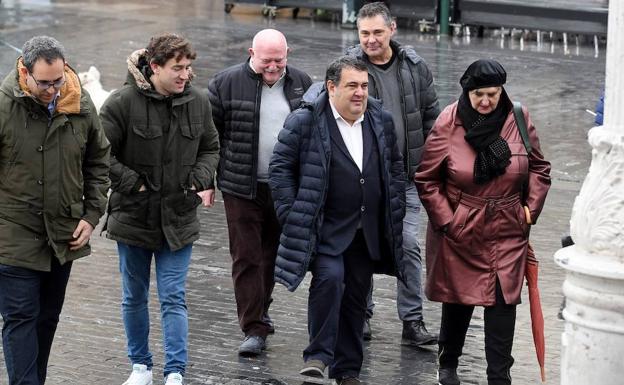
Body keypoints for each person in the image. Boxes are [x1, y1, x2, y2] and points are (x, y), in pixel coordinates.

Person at [269, 56, 405, 385]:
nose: (360, 93)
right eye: (352, 86)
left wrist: (394, 207)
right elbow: (280, 169)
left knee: (357, 294)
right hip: (325, 228)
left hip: (365, 231)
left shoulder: (380, 119)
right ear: (331, 88)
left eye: (364, 85)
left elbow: (395, 167)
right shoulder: (305, 121)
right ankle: (317, 356)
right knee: (329, 279)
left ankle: (348, 371)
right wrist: (292, 213)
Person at [414, 59, 551, 385]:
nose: (486, 102)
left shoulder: (518, 117)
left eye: (492, 94)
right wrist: (449, 222)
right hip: (463, 229)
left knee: (504, 305)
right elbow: (426, 179)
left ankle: (499, 377)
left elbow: (539, 168)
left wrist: (529, 210)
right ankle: (447, 366)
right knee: (458, 302)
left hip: (508, 228)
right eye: (479, 96)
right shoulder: (450, 121)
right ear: (467, 92)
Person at [100, 33, 220, 385]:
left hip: (179, 218)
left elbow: (211, 147)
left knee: (173, 295)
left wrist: (199, 177)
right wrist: (132, 183)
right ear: (154, 67)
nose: (185, 75)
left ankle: (174, 371)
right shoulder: (120, 103)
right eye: (177, 68)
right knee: (133, 296)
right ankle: (140, 366)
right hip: (133, 217)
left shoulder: (198, 102)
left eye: (188, 67)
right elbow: (100, 155)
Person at [0, 36, 110, 384]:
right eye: (44, 82)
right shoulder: (4, 108)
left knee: (47, 319)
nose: (52, 89)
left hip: (64, 236)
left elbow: (98, 161)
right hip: (13, 235)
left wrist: (91, 216)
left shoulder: (80, 102)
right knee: (21, 318)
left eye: (58, 80)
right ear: (24, 72)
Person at [207, 28, 312, 356]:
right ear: (251, 53)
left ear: (288, 54)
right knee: (247, 256)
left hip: (284, 187)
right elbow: (209, 138)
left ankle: (260, 309)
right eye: (267, 60)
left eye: (279, 60)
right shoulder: (224, 84)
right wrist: (205, 183)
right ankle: (253, 326)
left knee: (272, 255)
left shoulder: (302, 83)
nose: (273, 67)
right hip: (241, 186)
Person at [345, 1, 440, 344]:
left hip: (407, 178)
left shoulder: (415, 67)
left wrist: (430, 163)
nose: (371, 40)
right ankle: (361, 314)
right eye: (365, 33)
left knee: (407, 244)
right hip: (362, 177)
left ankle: (412, 322)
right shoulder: (347, 68)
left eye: (377, 32)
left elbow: (432, 118)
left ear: (393, 29)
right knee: (361, 244)